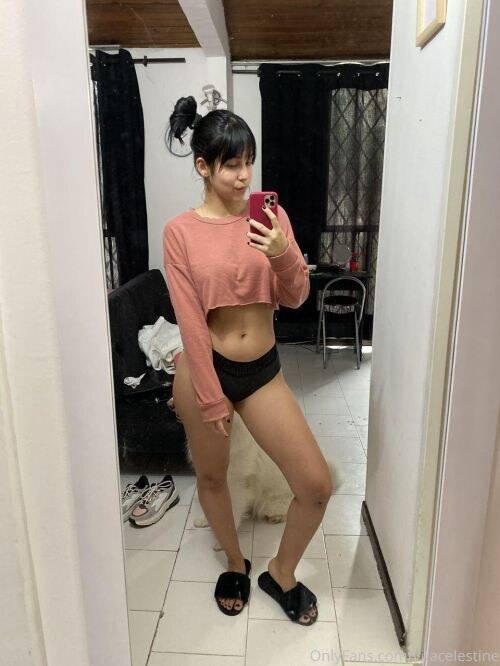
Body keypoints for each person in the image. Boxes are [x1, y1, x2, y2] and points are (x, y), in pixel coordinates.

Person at [163, 96, 333, 625]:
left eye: (248, 163)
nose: (243, 176)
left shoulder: (270, 217)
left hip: (261, 371)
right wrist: (211, 396)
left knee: (315, 485)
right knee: (213, 478)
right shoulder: (180, 232)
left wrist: (281, 250)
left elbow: (298, 297)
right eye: (231, 164)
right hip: (205, 370)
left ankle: (281, 572)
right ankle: (235, 564)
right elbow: (190, 321)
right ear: (203, 166)